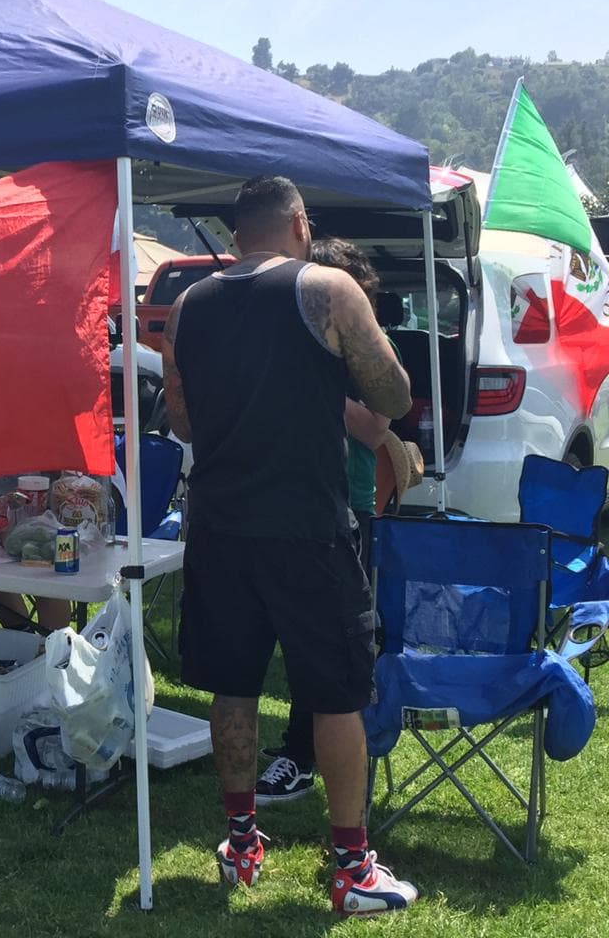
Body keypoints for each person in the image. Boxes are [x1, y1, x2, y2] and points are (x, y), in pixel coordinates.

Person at [162, 176, 417, 916]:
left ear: (239, 233)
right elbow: (394, 397)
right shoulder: (329, 290)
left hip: (219, 522)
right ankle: (350, 866)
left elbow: (180, 422)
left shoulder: (186, 306)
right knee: (337, 693)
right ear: (300, 224)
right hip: (306, 525)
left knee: (233, 686)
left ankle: (241, 842)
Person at [255, 238, 394, 806]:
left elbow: (375, 429)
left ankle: (300, 756)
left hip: (345, 505)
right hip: (290, 500)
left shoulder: (371, 351)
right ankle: (300, 743)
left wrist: (318, 385)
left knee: (326, 641)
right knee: (297, 632)